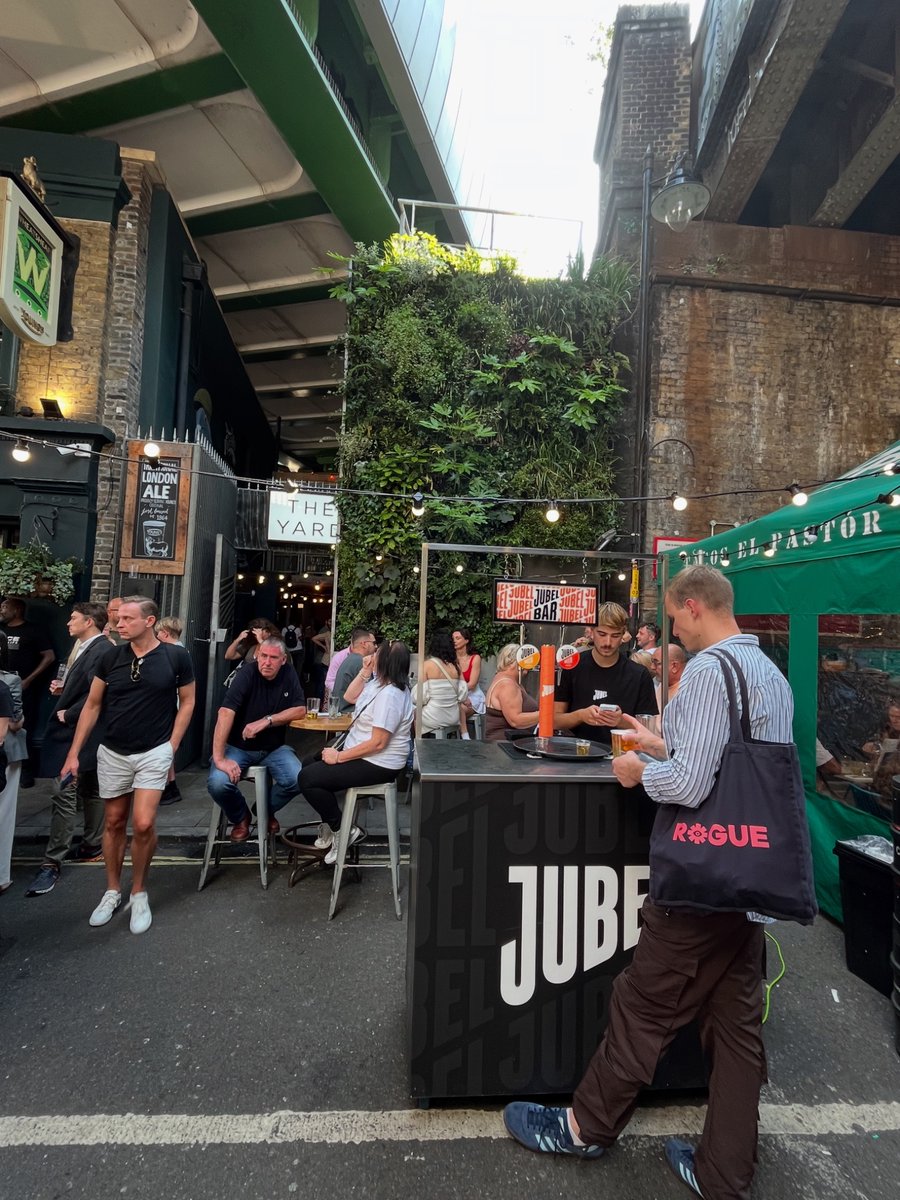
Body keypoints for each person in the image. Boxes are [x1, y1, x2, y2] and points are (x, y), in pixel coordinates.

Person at [504, 565, 794, 1200]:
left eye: (672, 617)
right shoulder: (769, 676)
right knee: (737, 1028)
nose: (671, 632)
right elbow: (729, 762)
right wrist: (658, 737)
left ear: (691, 607)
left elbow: (691, 784)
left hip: (697, 881)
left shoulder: (708, 674)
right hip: (750, 881)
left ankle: (585, 1127)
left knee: (643, 1005)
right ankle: (725, 1174)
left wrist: (637, 769)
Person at [61, 596, 195, 935]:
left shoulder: (175, 656)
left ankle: (139, 892)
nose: (117, 624)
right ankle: (111, 891)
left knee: (145, 822)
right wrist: (74, 753)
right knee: (114, 821)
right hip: (113, 751)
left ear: (149, 622)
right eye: (117, 619)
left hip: (155, 750)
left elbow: (189, 701)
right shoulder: (110, 657)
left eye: (126, 619)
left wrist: (173, 746)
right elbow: (92, 706)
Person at [297, 640, 414, 863]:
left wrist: (339, 756)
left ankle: (342, 830)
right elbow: (349, 697)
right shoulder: (378, 683)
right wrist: (365, 670)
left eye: (377, 653)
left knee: (308, 779)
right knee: (307, 763)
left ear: (386, 662)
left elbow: (378, 743)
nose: (372, 654)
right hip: (364, 752)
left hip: (379, 763)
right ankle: (332, 826)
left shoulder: (391, 695)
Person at [26, 602, 109, 896]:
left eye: (73, 618)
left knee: (65, 791)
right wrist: (64, 690)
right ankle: (91, 844)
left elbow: (99, 693)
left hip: (77, 732)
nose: (68, 623)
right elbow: (86, 687)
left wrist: (70, 713)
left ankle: (52, 863)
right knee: (89, 788)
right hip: (79, 732)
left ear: (89, 621)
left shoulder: (100, 649)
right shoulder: (87, 647)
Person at [208, 637, 306, 841]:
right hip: (239, 747)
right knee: (217, 783)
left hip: (274, 748)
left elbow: (300, 709)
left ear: (283, 660)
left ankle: (263, 810)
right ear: (256, 655)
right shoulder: (247, 674)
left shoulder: (288, 673)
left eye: (273, 657)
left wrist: (267, 720)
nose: (267, 662)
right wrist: (219, 758)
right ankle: (240, 816)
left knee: (299, 778)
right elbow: (225, 712)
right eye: (263, 656)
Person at [554, 602, 657, 747]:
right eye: (602, 634)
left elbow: (648, 728)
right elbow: (554, 719)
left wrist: (620, 721)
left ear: (623, 634)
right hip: (575, 754)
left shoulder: (639, 674)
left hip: (622, 755)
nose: (607, 642)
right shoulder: (572, 666)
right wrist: (581, 715)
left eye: (615, 636)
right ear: (591, 631)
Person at [0, 595, 55, 787]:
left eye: (6, 606)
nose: (2, 609)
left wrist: (28, 680)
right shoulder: (1, 630)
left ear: (17, 610)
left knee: (22, 727)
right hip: (1, 685)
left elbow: (49, 656)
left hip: (19, 687)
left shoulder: (33, 630)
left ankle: (25, 771)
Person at [0, 635, 25, 894]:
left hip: (5, 753)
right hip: (7, 750)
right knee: (3, 816)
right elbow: (16, 722)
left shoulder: (9, 680)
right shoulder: (9, 679)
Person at [155, 615, 186, 805]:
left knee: (164, 747)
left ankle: (169, 787)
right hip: (173, 706)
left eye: (157, 633)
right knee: (166, 748)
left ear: (165, 634)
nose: (156, 636)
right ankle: (169, 785)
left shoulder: (171, 653)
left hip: (169, 707)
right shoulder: (180, 651)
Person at [415, 630, 468, 736]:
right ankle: (464, 735)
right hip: (453, 717)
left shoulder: (427, 665)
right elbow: (463, 695)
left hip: (433, 717)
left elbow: (420, 697)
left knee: (415, 714)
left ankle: (418, 746)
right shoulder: (456, 667)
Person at [484, 643, 539, 741]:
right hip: (504, 745)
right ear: (515, 662)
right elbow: (515, 720)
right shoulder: (507, 684)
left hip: (506, 743)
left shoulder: (507, 680)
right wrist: (546, 714)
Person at [331, 628, 377, 713]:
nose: (376, 646)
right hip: (349, 713)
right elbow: (370, 693)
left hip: (341, 711)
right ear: (364, 644)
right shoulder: (361, 662)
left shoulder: (351, 659)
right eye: (373, 643)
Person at [453, 628, 485, 718]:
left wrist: (454, 692)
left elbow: (472, 684)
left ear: (466, 640)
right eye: (453, 639)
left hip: (472, 695)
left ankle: (462, 732)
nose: (454, 641)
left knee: (457, 712)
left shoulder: (475, 658)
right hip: (453, 696)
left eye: (457, 638)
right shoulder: (450, 659)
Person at [651, 643, 688, 707]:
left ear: (674, 666)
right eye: (652, 662)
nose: (652, 667)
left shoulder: (686, 691)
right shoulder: (662, 684)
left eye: (656, 663)